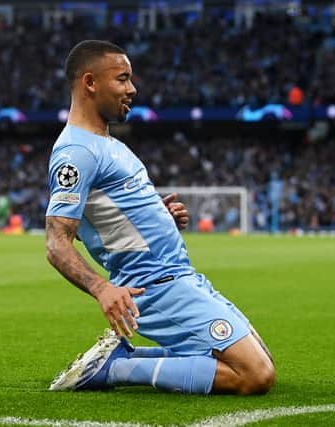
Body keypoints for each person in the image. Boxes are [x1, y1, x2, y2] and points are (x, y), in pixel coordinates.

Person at [45, 40, 274, 395]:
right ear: (90, 83)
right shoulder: (76, 153)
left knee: (262, 356)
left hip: (180, 276)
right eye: (122, 79)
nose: (132, 89)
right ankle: (118, 369)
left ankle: (113, 360)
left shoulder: (110, 144)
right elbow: (56, 242)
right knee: (254, 375)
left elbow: (114, 214)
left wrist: (162, 216)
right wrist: (102, 288)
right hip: (154, 285)